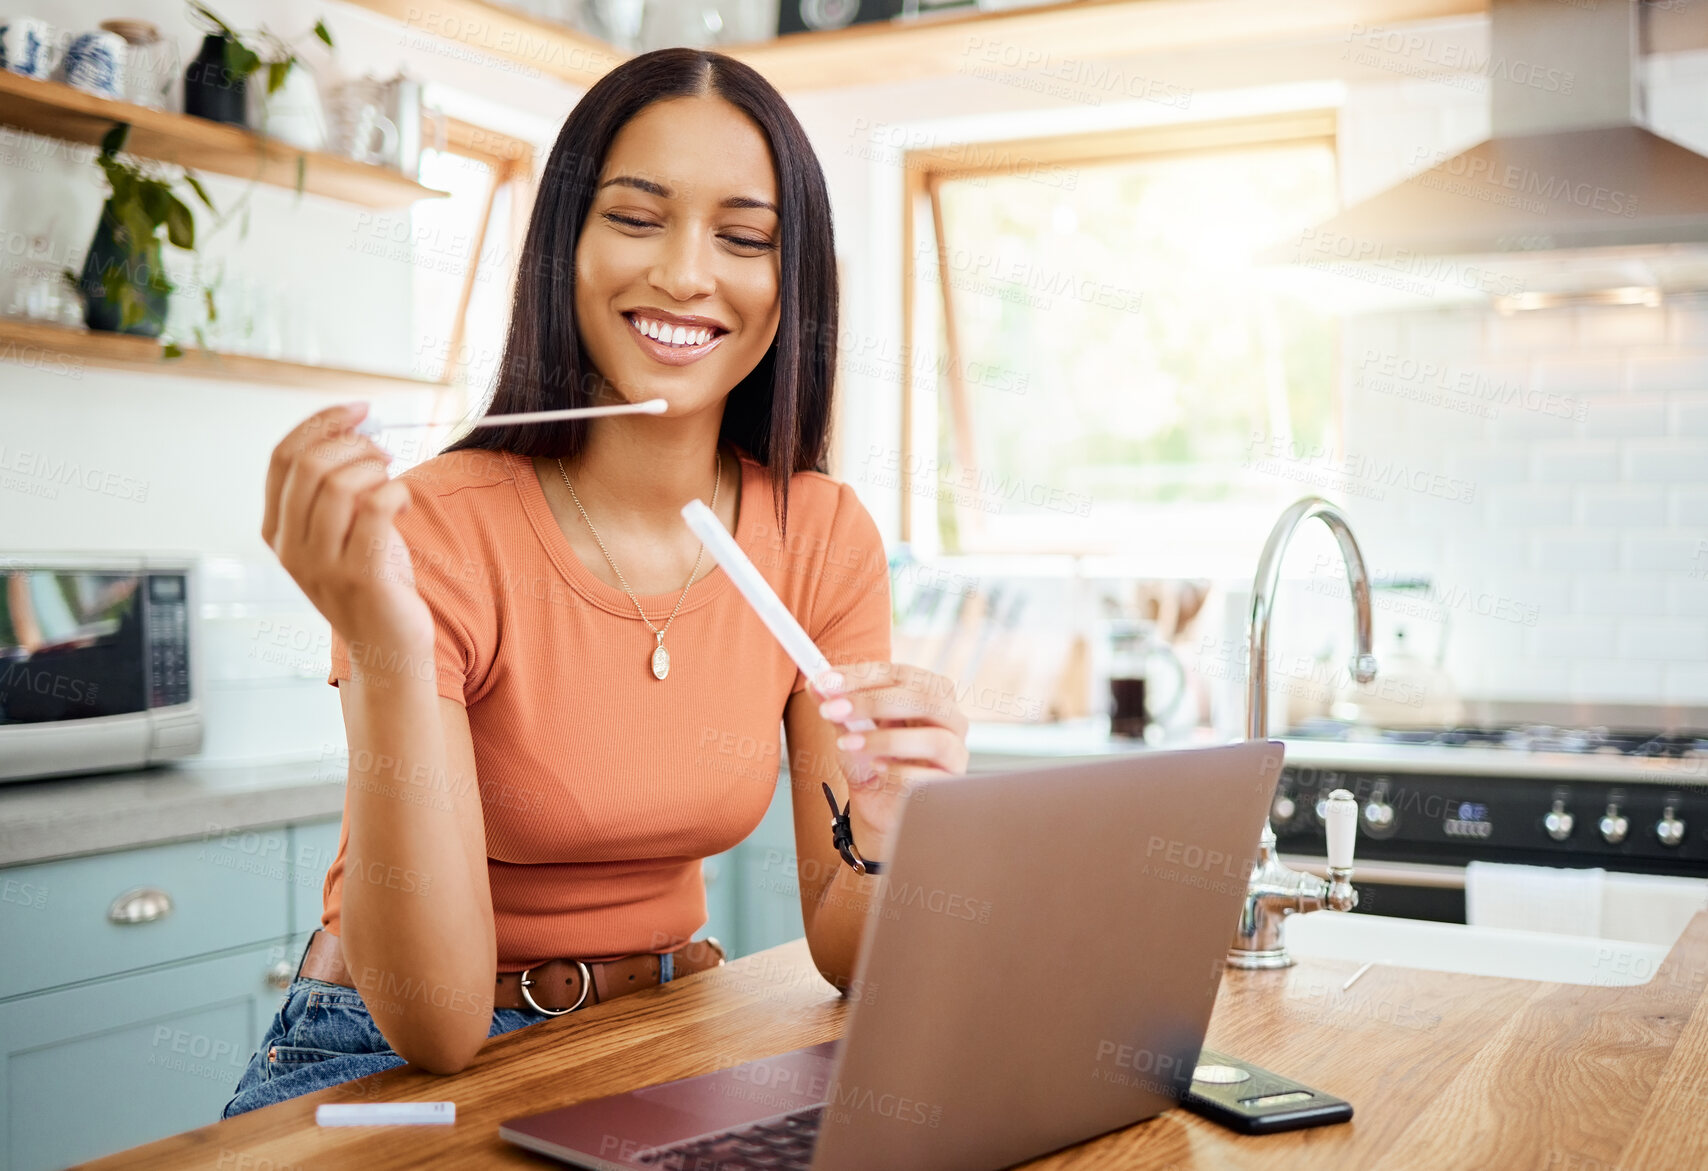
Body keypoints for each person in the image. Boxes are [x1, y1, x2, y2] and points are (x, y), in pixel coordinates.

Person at [227, 47, 970, 1116]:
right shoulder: (430, 525)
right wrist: (385, 643)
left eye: (744, 236)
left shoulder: (821, 535)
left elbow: (851, 952)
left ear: (788, 279)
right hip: (383, 1058)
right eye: (635, 217)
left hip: (668, 1024)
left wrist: (893, 838)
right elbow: (433, 1030)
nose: (684, 271)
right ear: (563, 248)